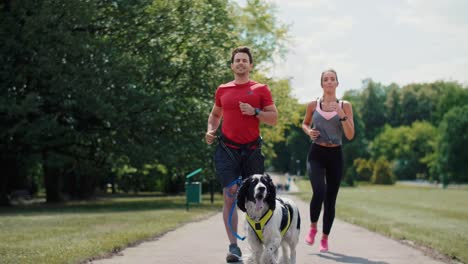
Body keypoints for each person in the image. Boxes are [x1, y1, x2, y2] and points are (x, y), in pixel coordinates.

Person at [205, 46, 278, 262]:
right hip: (228, 149)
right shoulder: (223, 89)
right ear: (232, 65)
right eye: (237, 60)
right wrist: (211, 129)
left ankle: (258, 245)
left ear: (250, 65)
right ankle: (233, 247)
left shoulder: (261, 89)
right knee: (230, 192)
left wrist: (255, 112)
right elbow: (215, 115)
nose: (240, 63)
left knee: (256, 199)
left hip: (252, 150)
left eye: (244, 60)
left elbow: (273, 118)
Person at [301, 69, 355, 252]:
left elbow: (350, 134)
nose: (329, 82)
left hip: (335, 155)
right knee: (319, 190)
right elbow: (305, 123)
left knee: (330, 199)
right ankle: (313, 227)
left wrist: (341, 113)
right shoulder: (312, 105)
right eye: (326, 79)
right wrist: (309, 131)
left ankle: (324, 238)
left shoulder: (345, 105)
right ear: (322, 84)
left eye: (333, 79)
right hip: (316, 153)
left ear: (337, 84)